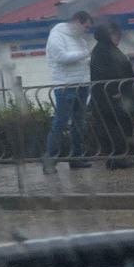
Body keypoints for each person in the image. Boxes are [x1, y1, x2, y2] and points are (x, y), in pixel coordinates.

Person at [43, 11, 94, 174]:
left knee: (79, 123)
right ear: (77, 22)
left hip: (82, 84)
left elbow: (85, 62)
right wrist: (85, 54)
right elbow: (61, 57)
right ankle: (50, 161)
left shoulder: (80, 39)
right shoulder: (57, 35)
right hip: (65, 86)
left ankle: (76, 158)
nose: (86, 30)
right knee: (60, 123)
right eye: (85, 26)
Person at [90, 23, 134, 169]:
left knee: (115, 128)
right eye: (114, 34)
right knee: (115, 128)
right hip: (109, 98)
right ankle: (118, 158)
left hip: (111, 97)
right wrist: (115, 91)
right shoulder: (102, 51)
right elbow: (106, 74)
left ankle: (116, 158)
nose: (117, 37)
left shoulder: (106, 49)